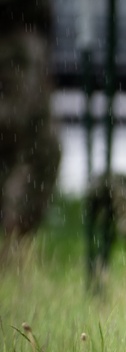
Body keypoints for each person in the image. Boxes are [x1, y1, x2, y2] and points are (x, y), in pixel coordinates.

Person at [0, 0, 62, 247]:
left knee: (42, 147)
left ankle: (14, 243)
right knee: (22, 138)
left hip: (27, 38)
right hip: (16, 39)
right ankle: (13, 243)